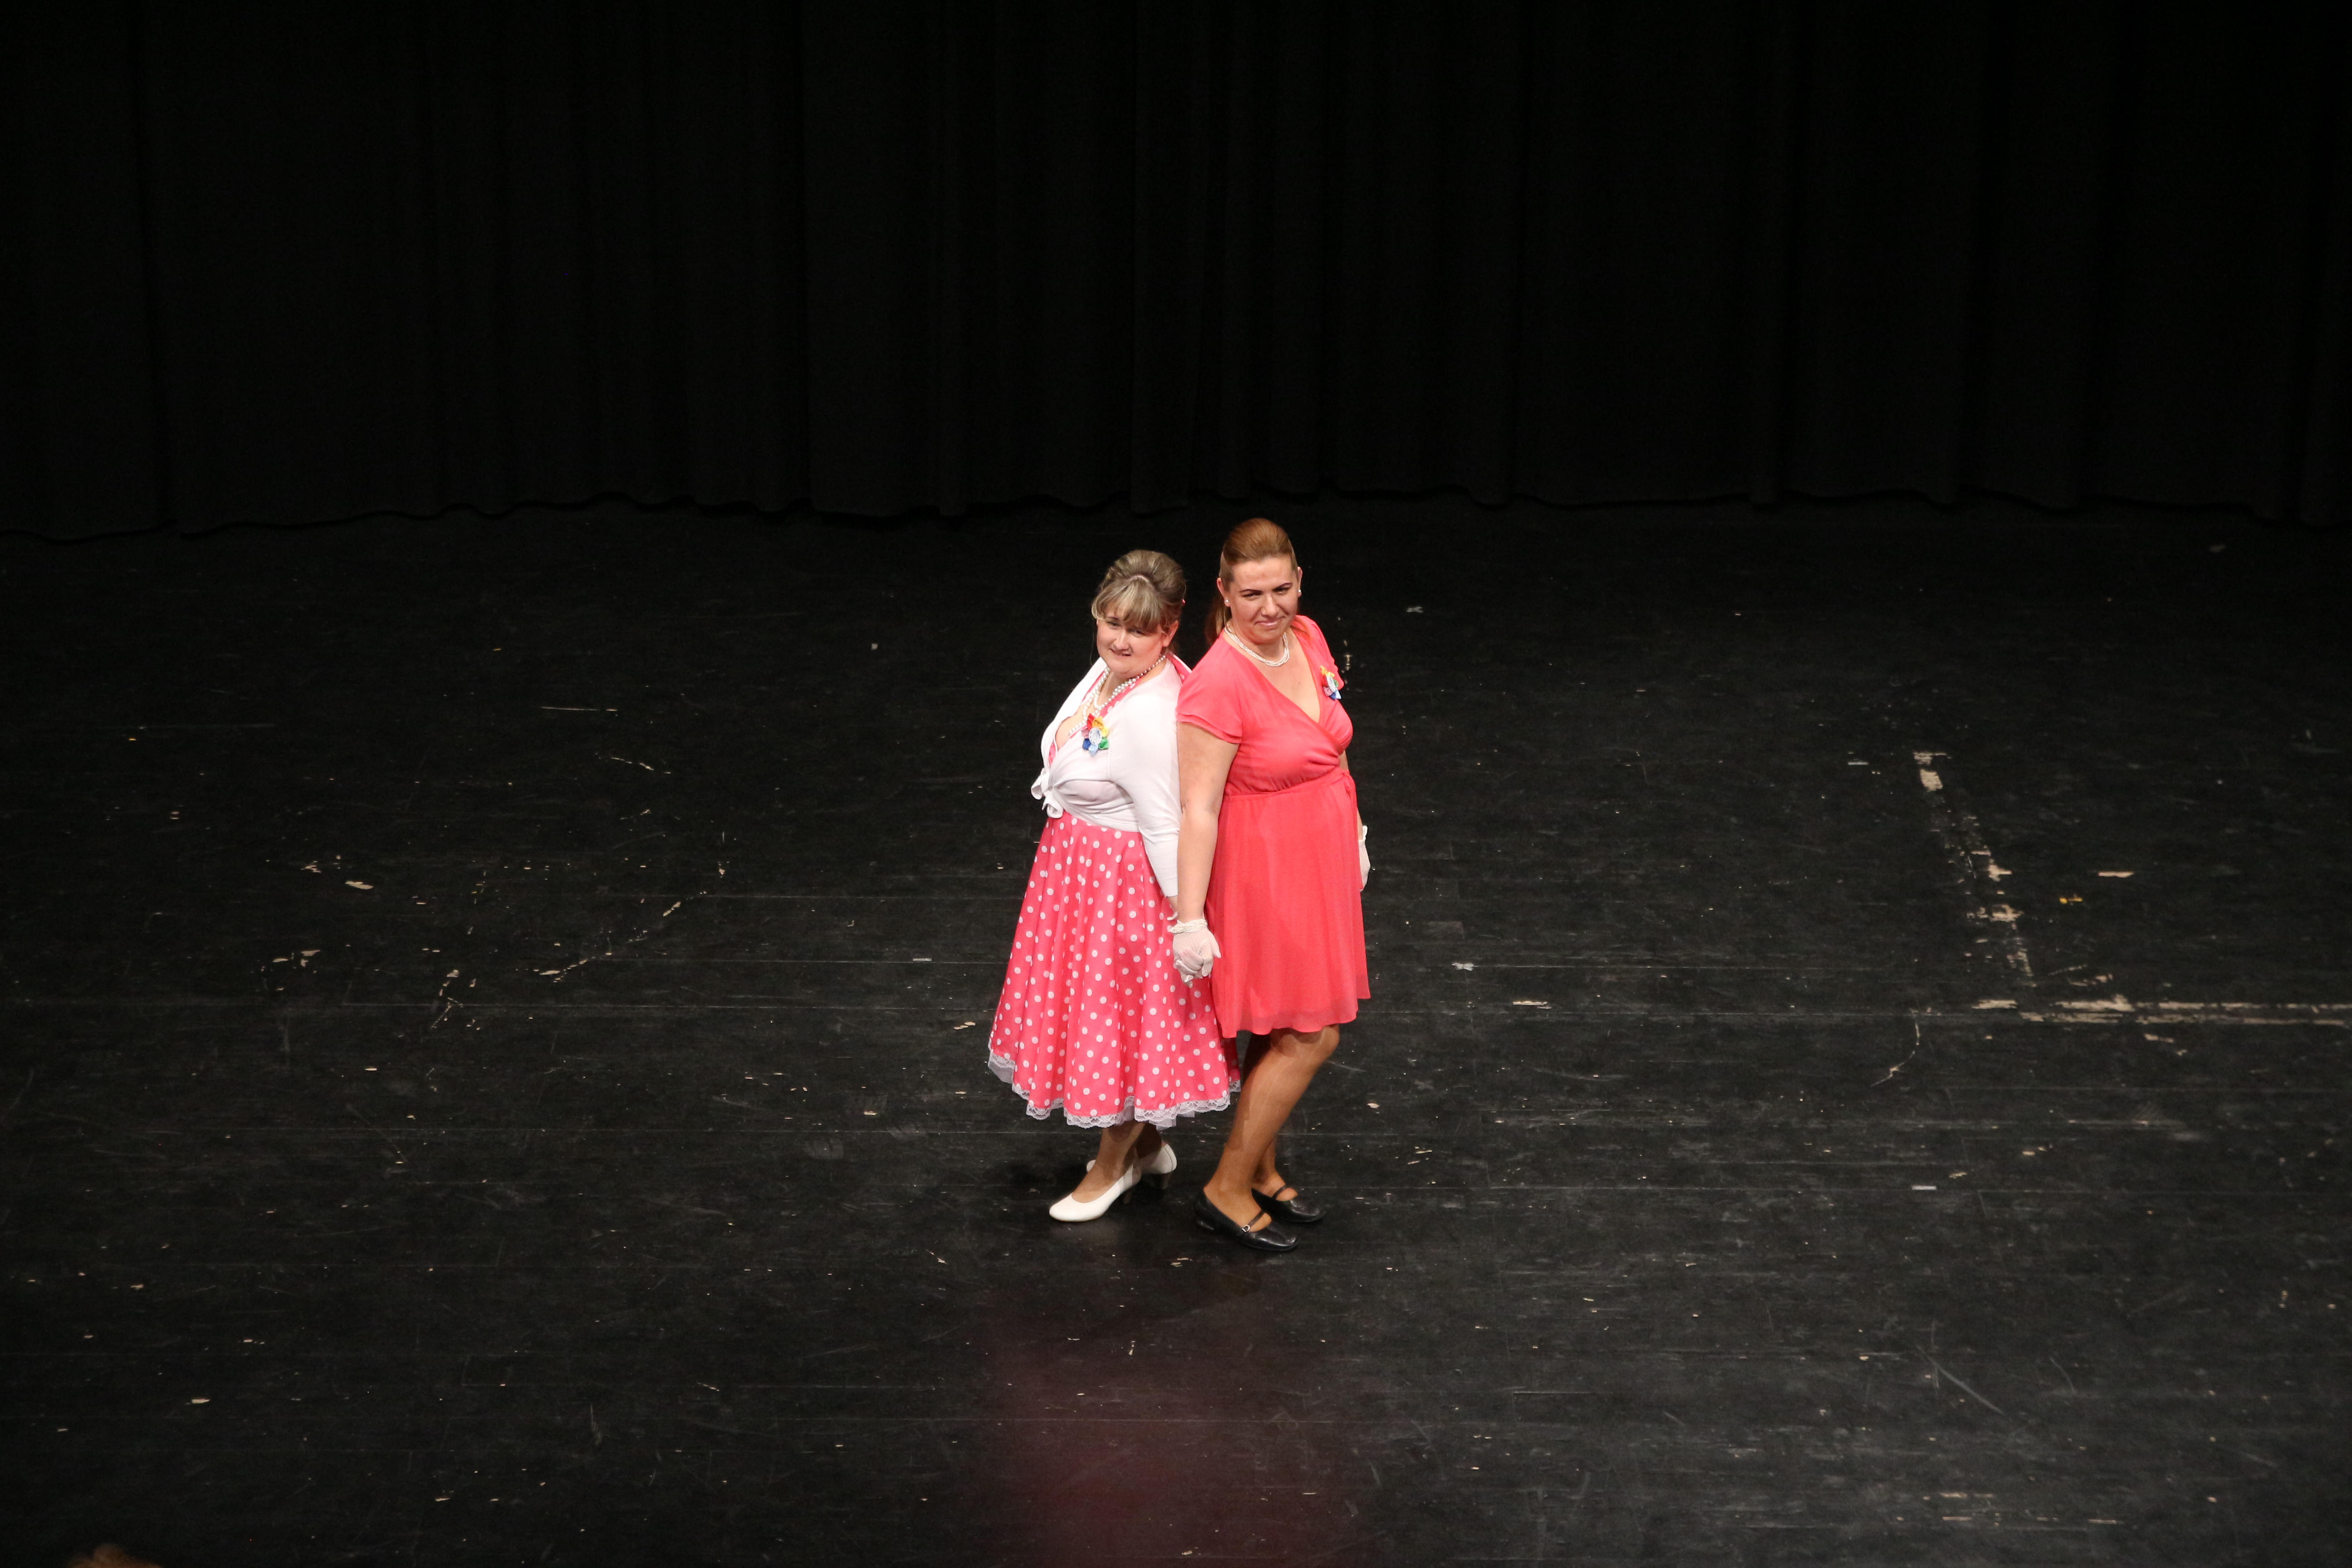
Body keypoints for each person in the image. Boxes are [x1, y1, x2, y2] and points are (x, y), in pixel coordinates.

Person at [987, 550, 1240, 1220]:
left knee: (1121, 1024)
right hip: (1081, 876)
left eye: (1139, 629)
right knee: (1102, 1016)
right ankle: (1148, 1148)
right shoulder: (1114, 672)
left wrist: (1187, 920)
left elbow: (1165, 825)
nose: (1121, 640)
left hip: (1126, 891)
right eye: (1112, 623)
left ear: (1170, 629)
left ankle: (1111, 1168)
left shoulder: (1153, 714)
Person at [1172, 518, 1370, 1252]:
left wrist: (1356, 834)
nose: (1270, 608)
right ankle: (1224, 1187)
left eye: (1281, 589)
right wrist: (1189, 918)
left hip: (1318, 858)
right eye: (1251, 594)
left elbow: (1333, 745)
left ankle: (1258, 1168)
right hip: (1265, 871)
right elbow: (1198, 807)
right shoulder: (1218, 684)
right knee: (1313, 1031)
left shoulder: (1308, 638)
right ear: (1224, 593)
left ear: (1299, 582)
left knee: (1287, 1024)